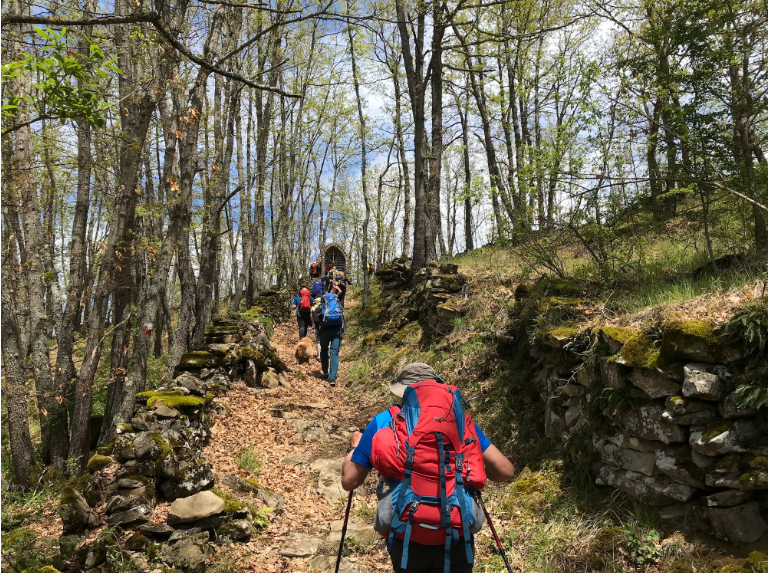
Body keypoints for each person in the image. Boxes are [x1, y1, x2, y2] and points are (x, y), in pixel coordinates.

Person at [341, 363, 515, 573]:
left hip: (406, 535)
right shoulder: (459, 422)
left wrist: (355, 447)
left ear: (403, 391)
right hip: (456, 531)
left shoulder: (385, 420)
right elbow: (505, 471)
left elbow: (350, 480)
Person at [313, 291, 344, 386]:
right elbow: (342, 319)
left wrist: (319, 328)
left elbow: (316, 320)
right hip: (337, 331)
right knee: (334, 352)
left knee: (324, 350)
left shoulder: (320, 307)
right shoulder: (338, 306)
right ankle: (332, 377)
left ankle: (325, 372)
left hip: (324, 331)